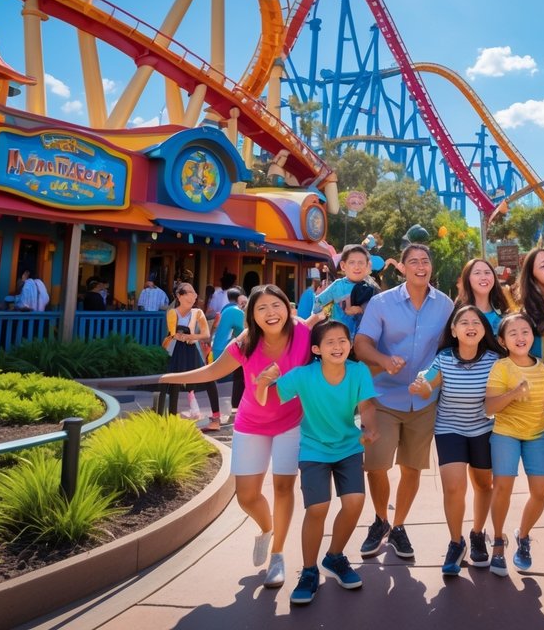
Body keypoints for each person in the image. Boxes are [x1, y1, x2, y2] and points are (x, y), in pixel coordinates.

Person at [161, 284, 318, 588]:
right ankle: (266, 529)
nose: (271, 313)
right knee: (247, 496)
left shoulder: (302, 333)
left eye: (276, 305)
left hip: (291, 421)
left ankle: (278, 555)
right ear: (252, 316)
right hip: (252, 421)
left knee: (284, 488)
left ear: (287, 307)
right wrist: (168, 378)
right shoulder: (246, 342)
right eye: (262, 308)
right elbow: (211, 372)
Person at [255, 319, 378, 606]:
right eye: (330, 342)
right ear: (317, 349)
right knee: (318, 507)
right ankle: (309, 571)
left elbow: (367, 406)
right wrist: (262, 383)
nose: (338, 346)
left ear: (350, 344)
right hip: (313, 450)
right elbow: (267, 397)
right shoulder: (303, 375)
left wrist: (371, 429)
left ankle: (334, 557)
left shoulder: (358, 371)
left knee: (355, 502)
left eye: (342, 341)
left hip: (348, 446)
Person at [353, 243, 454, 561]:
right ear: (403, 268)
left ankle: (397, 526)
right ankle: (381, 519)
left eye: (425, 261)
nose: (420, 266)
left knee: (412, 468)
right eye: (414, 262)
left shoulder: (446, 305)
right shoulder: (382, 302)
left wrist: (432, 381)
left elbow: (449, 351)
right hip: (382, 396)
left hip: (423, 401)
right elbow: (361, 342)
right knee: (376, 465)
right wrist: (383, 359)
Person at [410, 305, 502, 576]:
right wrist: (422, 386)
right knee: (454, 487)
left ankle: (476, 534)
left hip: (485, 429)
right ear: (453, 330)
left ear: (484, 329)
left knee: (484, 484)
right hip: (450, 428)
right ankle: (455, 541)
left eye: (476, 322)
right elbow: (428, 384)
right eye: (464, 322)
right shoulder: (444, 358)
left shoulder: (495, 359)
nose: (470, 326)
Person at [484, 312, 544, 575]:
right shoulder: (501, 367)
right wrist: (513, 394)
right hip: (506, 433)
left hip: (537, 434)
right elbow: (489, 407)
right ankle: (498, 542)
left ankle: (523, 536)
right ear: (502, 341)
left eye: (525, 331)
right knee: (502, 487)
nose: (520, 337)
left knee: (541, 491)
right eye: (512, 333)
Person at [163, 283, 222, 433]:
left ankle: (216, 418)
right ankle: (171, 420)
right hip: (178, 349)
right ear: (179, 296)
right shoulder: (172, 313)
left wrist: (190, 336)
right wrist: (181, 336)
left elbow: (206, 334)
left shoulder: (198, 313)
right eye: (189, 293)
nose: (193, 296)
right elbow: (172, 333)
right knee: (174, 382)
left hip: (194, 349)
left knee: (209, 379)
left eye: (194, 293)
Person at [315, 245, 377, 338]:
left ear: (367, 265)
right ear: (343, 266)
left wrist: (361, 310)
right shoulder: (337, 285)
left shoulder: (371, 287)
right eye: (352, 262)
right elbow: (318, 303)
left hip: (362, 339)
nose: (357, 267)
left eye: (361, 262)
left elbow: (378, 312)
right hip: (337, 337)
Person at [211, 288, 247, 409]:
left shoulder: (225, 309)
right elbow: (245, 331)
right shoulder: (236, 311)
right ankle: (238, 404)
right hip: (227, 350)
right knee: (242, 375)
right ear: (239, 299)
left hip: (218, 348)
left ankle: (236, 405)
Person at [453, 257, 508, 333]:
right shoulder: (458, 313)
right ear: (467, 278)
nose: (483, 277)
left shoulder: (504, 310)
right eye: (477, 273)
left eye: (487, 272)